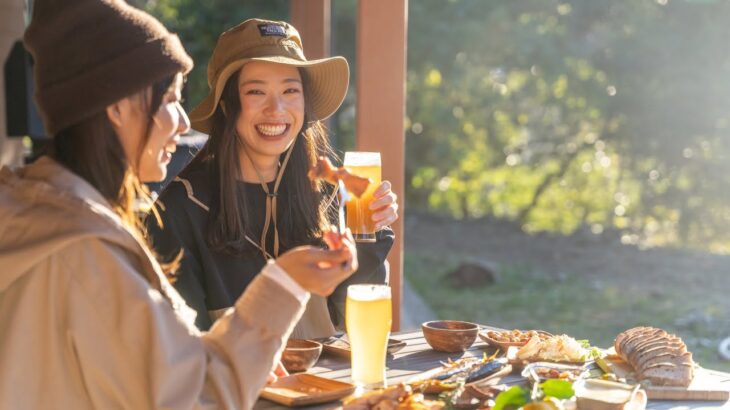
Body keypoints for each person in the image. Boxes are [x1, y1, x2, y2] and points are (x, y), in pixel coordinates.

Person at [0, 1, 357, 409]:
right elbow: (193, 399)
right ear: (118, 107)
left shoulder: (36, 218)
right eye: (170, 99)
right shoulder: (85, 254)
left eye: (290, 91)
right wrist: (283, 285)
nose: (185, 123)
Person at [146, 18, 399, 337]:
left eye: (290, 90)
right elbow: (182, 352)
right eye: (256, 91)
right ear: (226, 105)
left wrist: (370, 235)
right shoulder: (180, 212)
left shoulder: (330, 196)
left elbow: (355, 329)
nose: (276, 109)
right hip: (236, 388)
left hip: (330, 385)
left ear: (305, 102)